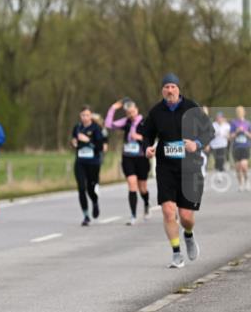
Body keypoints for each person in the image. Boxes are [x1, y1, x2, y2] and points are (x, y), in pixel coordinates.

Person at [142, 74, 214, 268]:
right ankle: (176, 254)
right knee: (168, 211)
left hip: (190, 167)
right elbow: (146, 134)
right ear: (162, 90)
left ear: (178, 89)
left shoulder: (192, 108)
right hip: (166, 168)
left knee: (186, 217)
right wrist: (147, 147)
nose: (170, 90)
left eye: (173, 86)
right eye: (166, 87)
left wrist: (196, 143)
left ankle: (188, 235)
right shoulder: (156, 112)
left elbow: (209, 131)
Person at [105, 98, 151, 224]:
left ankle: (146, 204)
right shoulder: (126, 122)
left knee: (143, 188)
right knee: (132, 185)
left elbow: (151, 139)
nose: (131, 115)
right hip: (128, 157)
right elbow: (109, 124)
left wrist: (140, 138)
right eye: (128, 113)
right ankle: (133, 216)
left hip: (141, 158)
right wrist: (113, 108)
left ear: (137, 110)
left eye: (132, 112)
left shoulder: (145, 122)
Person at [71, 105, 107, 226]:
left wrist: (88, 141)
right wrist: (74, 142)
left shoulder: (96, 128)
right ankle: (86, 215)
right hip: (80, 161)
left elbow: (100, 147)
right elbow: (73, 140)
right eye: (82, 115)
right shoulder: (77, 127)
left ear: (90, 115)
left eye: (87, 115)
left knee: (91, 189)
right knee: (81, 188)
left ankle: (95, 203)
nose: (84, 117)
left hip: (93, 162)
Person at [230, 106, 250, 191]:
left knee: (244, 165)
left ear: (244, 113)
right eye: (238, 112)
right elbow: (230, 137)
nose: (240, 113)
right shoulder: (233, 123)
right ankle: (240, 184)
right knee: (238, 167)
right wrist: (237, 131)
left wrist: (245, 132)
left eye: (241, 112)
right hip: (236, 147)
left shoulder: (248, 123)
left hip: (245, 146)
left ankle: (247, 181)